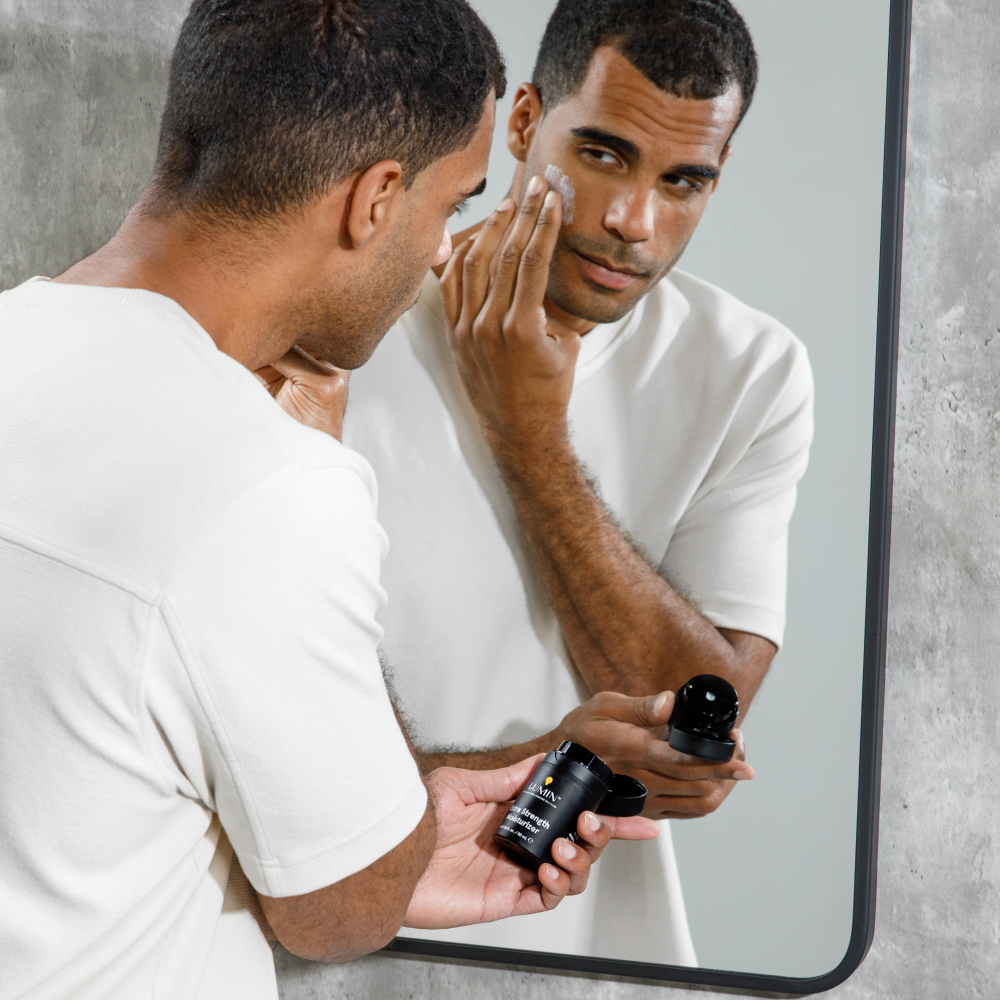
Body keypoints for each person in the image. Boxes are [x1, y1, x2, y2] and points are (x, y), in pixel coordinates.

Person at [0, 2, 660, 998]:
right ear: (375, 200)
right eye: (451, 205)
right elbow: (341, 910)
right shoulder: (269, 482)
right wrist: (391, 846)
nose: (442, 251)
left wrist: (390, 827)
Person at [342, 0, 815, 965]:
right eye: (601, 153)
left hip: (608, 951)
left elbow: (701, 724)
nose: (632, 221)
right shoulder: (354, 318)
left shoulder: (752, 370)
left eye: (685, 180)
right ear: (524, 124)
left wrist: (528, 437)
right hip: (338, 927)